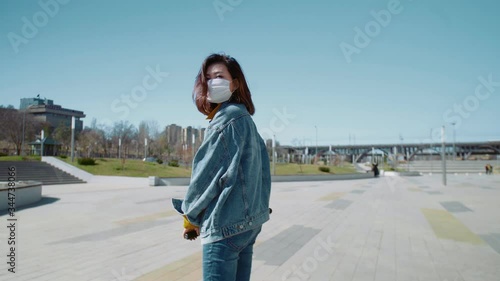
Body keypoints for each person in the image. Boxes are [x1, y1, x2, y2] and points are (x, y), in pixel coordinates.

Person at [172, 53, 271, 281]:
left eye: (219, 76)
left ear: (234, 83)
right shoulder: (246, 119)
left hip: (225, 228)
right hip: (248, 226)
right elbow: (262, 175)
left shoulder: (226, 121)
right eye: (208, 77)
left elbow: (206, 175)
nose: (212, 82)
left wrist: (191, 216)